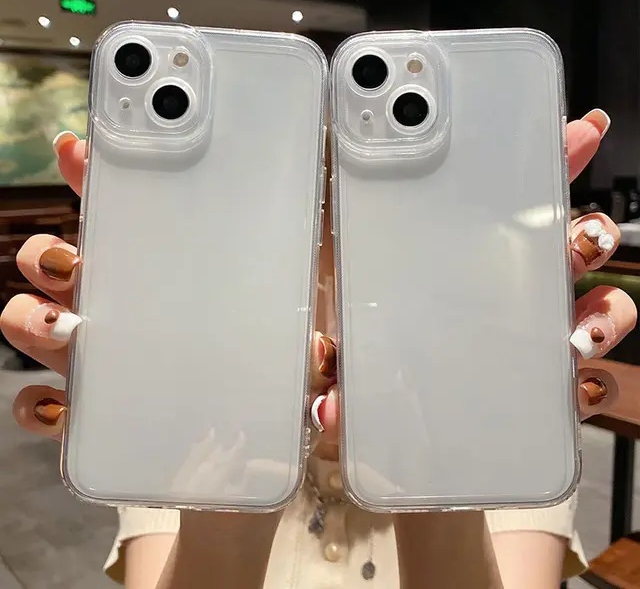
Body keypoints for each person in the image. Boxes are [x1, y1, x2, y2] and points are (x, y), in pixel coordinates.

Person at [1, 108, 636, 589]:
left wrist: (440, 478)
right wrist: (223, 498)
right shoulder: (185, 416)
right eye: (311, 252)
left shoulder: (501, 425)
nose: (343, 304)